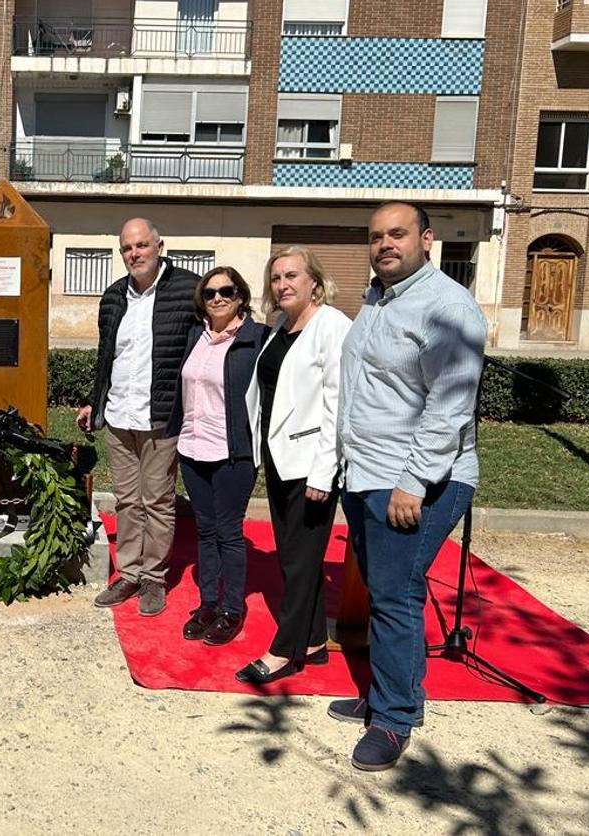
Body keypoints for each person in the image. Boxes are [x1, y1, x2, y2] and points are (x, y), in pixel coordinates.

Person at [328, 202, 486, 772]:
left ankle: (393, 719)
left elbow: (449, 406)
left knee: (394, 596)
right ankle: (392, 694)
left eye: (397, 234)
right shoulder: (377, 297)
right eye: (375, 236)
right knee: (387, 591)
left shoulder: (448, 307)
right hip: (365, 473)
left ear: (426, 238)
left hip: (416, 480)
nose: (385, 244)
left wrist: (413, 483)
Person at [238, 246, 351, 684]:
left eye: (291, 276)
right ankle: (314, 640)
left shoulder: (332, 326)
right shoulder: (281, 326)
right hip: (280, 458)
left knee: (302, 560)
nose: (282, 284)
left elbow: (338, 405)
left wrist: (325, 473)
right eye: (276, 277)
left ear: (314, 282)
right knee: (292, 555)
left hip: (312, 465)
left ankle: (283, 649)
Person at [76, 218, 199, 617]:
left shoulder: (187, 289)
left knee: (158, 501)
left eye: (142, 245)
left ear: (159, 246)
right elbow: (105, 356)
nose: (135, 254)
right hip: (119, 415)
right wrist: (95, 402)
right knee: (128, 501)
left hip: (162, 417)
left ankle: (154, 578)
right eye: (127, 248)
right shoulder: (113, 296)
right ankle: (128, 573)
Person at [165, 267, 266, 645]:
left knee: (229, 532)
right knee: (205, 531)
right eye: (209, 293)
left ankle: (231, 609)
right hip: (193, 448)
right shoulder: (197, 335)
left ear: (240, 295)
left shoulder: (256, 339)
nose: (218, 298)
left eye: (227, 291)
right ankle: (208, 603)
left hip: (233, 453)